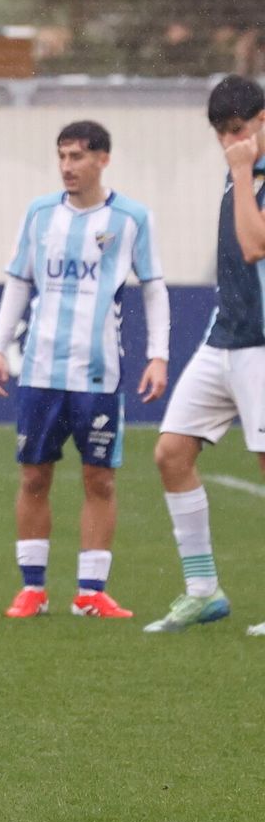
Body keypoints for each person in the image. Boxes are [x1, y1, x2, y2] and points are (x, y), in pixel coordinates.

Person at [0, 120, 168, 620]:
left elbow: (153, 286)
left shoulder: (131, 218)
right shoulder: (40, 214)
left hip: (98, 373)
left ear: (103, 160)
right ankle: (33, 588)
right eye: (62, 156)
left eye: (78, 157)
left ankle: (91, 592)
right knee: (34, 476)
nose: (68, 166)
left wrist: (159, 354)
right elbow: (19, 282)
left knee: (100, 479)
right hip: (41, 370)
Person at [144, 75, 265, 635]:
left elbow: (254, 244)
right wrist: (241, 170)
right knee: (170, 453)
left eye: (239, 131)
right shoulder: (239, 172)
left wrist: (242, 173)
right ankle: (203, 590)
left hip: (262, 347)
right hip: (226, 339)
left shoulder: (246, 176)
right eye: (222, 135)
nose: (230, 143)